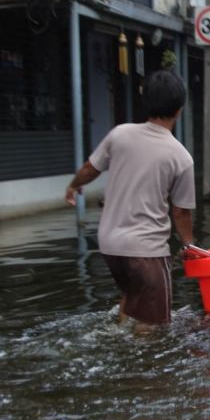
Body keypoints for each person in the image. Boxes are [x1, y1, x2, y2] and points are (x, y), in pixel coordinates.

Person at [64, 70, 196, 331]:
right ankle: (135, 366)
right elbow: (180, 212)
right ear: (179, 110)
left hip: (110, 245)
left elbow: (91, 168)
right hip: (146, 250)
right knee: (153, 322)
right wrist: (190, 246)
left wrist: (73, 185)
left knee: (133, 296)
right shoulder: (181, 157)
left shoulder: (119, 134)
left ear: (144, 100)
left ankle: (121, 340)